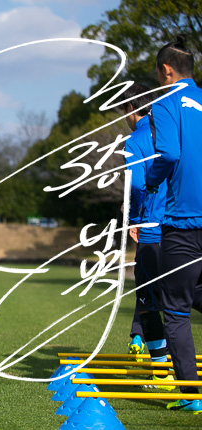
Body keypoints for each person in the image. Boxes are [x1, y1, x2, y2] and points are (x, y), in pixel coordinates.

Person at [144, 35, 202, 413]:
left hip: (183, 221)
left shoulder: (165, 102)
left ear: (166, 71)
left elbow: (168, 153)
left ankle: (191, 396)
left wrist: (152, 179)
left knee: (177, 310)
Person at [120, 83, 174, 390]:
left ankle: (161, 374)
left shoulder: (135, 140)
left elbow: (137, 186)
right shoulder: (172, 131)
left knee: (148, 300)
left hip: (152, 227)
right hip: (183, 226)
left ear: (131, 108)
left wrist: (133, 219)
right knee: (182, 295)